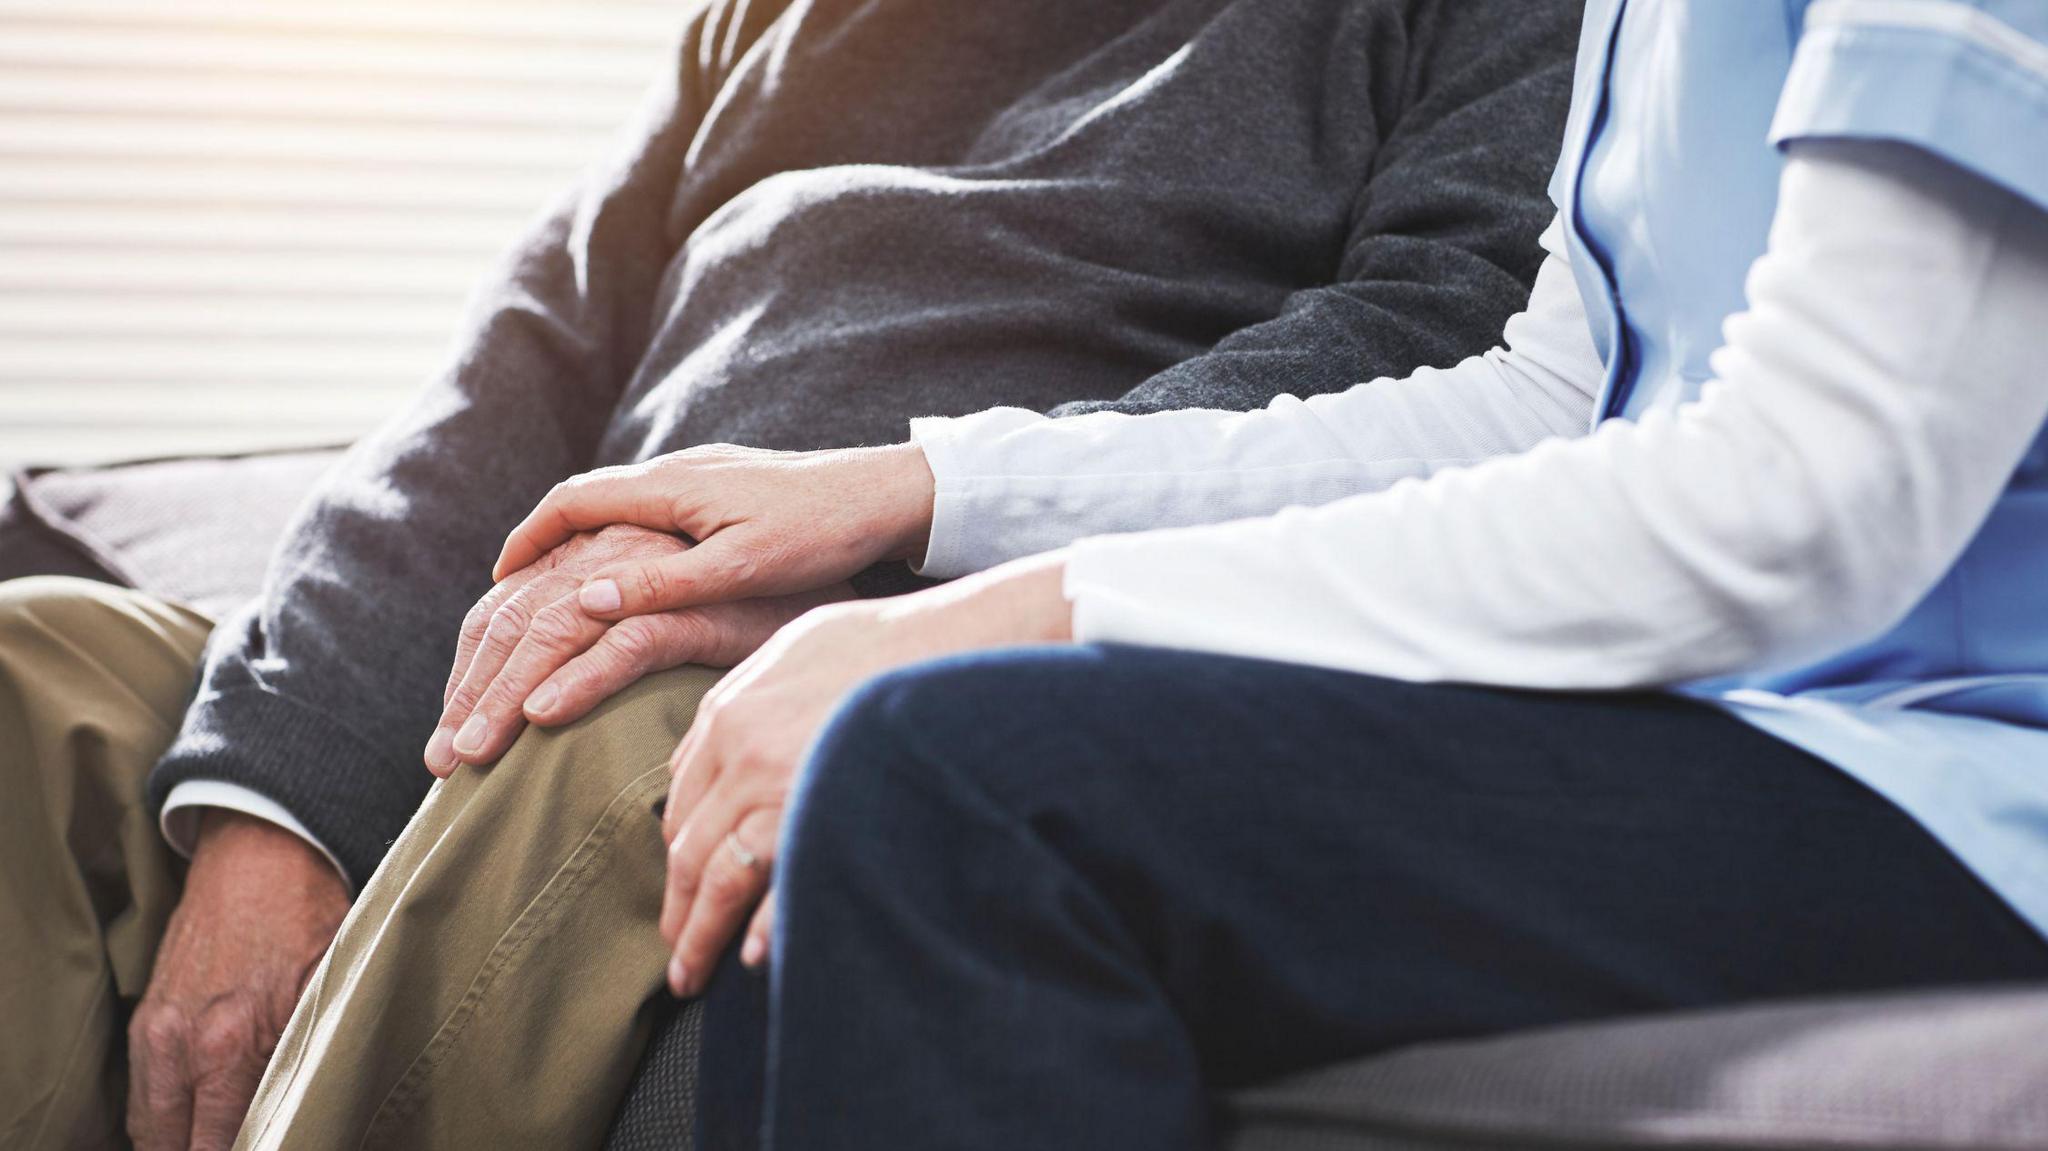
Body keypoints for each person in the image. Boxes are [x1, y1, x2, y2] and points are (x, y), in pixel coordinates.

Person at [418, 0, 2048, 1146]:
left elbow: (1812, 502)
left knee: (952, 786)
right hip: (1747, 726)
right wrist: (922, 493)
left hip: (1956, 780)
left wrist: (984, 618)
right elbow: (1541, 399)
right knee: (868, 780)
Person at [0, 1, 1582, 1148]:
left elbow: (1445, 343)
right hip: (574, 610)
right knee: (35, 664)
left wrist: (899, 541)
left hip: (907, 617)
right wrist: (267, 808)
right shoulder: (770, 25)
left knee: (635, 707)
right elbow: (500, 387)